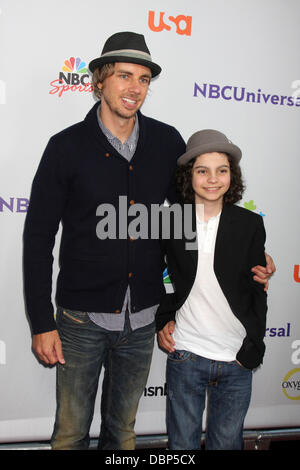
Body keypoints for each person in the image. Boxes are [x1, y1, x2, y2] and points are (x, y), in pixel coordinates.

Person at [23, 32, 274, 450]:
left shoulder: (168, 142)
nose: (134, 88)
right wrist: (41, 322)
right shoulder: (65, 147)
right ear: (100, 81)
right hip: (80, 320)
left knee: (123, 434)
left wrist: (249, 252)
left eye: (143, 78)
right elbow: (37, 239)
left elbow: (189, 220)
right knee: (69, 434)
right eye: (124, 76)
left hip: (142, 319)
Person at [156, 129, 269, 450]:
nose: (212, 179)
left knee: (227, 443)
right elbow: (156, 276)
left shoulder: (249, 224)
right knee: (182, 446)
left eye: (222, 170)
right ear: (187, 176)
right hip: (186, 354)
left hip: (236, 359)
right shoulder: (171, 221)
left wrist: (254, 343)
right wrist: (163, 319)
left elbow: (257, 289)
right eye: (202, 170)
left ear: (231, 176)